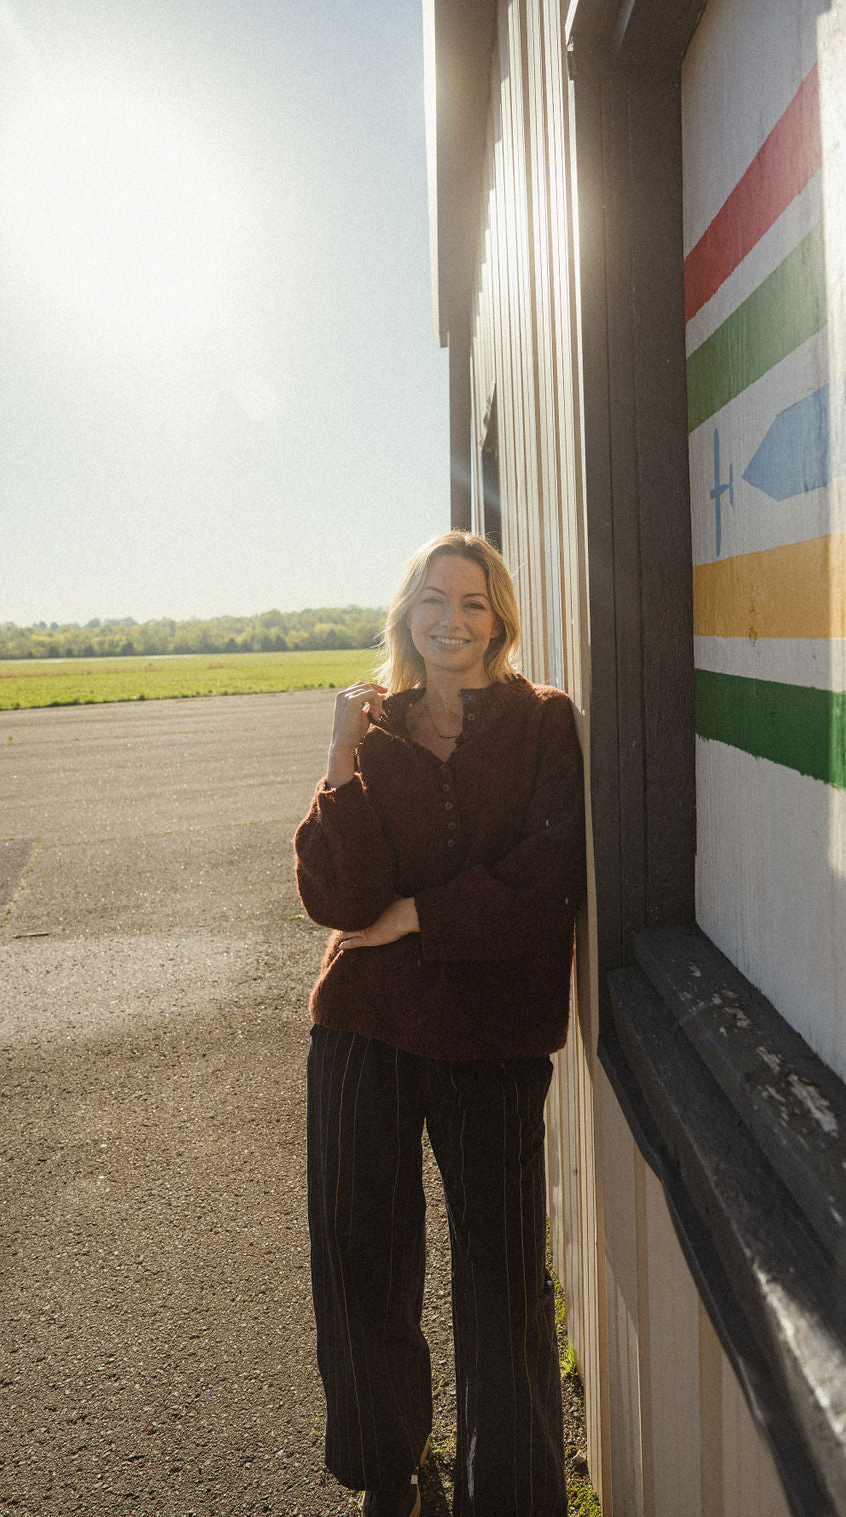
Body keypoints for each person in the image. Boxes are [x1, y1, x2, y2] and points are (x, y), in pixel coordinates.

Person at [294, 531, 585, 1517]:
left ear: (498, 620)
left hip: (493, 1040)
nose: (449, 620)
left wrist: (417, 914)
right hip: (362, 1030)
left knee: (501, 1279)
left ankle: (514, 1493)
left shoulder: (544, 722)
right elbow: (340, 900)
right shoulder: (374, 729)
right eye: (431, 599)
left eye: (471, 602)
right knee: (358, 1258)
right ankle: (391, 1468)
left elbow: (547, 882)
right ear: (405, 614)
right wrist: (339, 759)